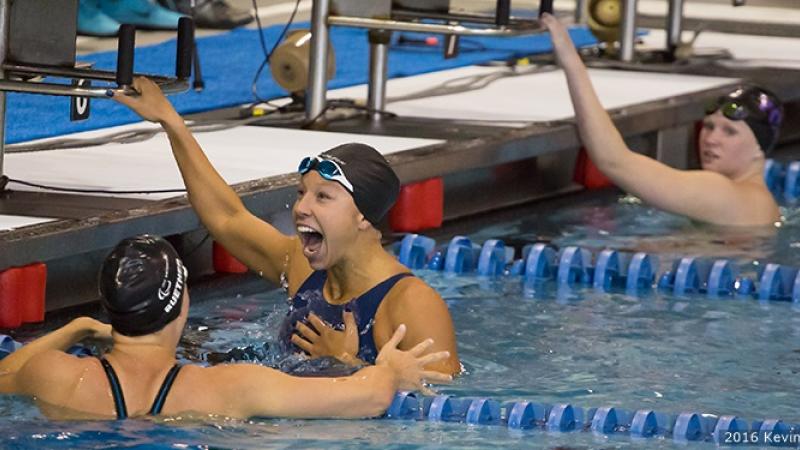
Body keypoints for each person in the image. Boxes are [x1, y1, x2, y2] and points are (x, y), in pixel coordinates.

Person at [110, 78, 460, 374]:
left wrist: (346, 364)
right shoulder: (300, 265)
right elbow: (226, 218)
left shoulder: (411, 305)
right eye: (301, 193)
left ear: (363, 216)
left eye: (323, 197)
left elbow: (445, 413)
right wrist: (171, 122)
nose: (301, 208)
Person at [0, 235, 450, 420]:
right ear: (182, 305)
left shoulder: (56, 375)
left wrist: (76, 328)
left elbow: (4, 376)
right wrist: (387, 368)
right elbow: (369, 397)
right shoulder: (232, 387)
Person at [540, 14, 783, 227]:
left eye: (729, 132)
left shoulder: (723, 194)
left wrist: (572, 63)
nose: (711, 139)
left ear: (759, 149)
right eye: (708, 126)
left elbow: (614, 162)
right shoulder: (761, 203)